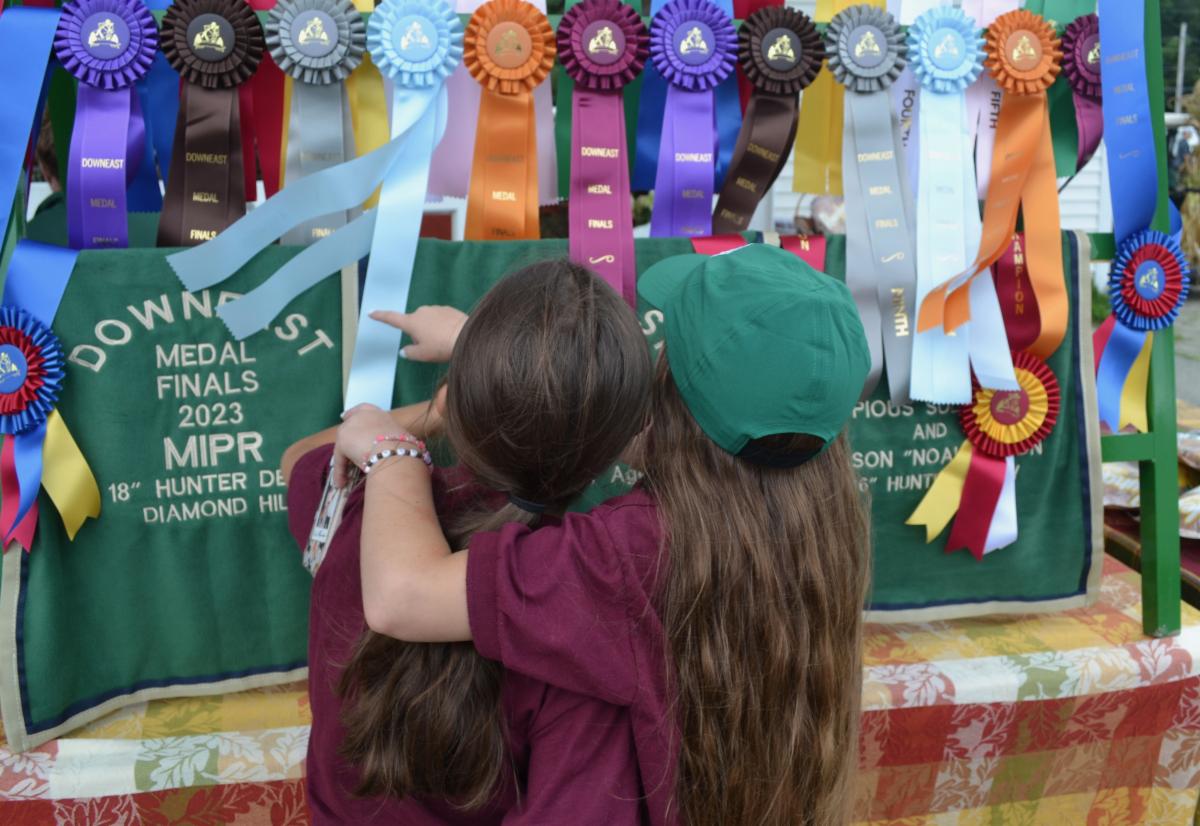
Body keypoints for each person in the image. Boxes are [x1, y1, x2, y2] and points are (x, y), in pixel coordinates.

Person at [334, 244, 874, 826]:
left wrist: (391, 453)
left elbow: (402, 595)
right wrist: (482, 346)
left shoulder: (630, 552)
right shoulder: (824, 525)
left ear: (672, 394)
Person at [284, 260, 654, 824]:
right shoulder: (580, 614)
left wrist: (436, 412)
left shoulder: (361, 504)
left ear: (464, 401)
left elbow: (300, 461)